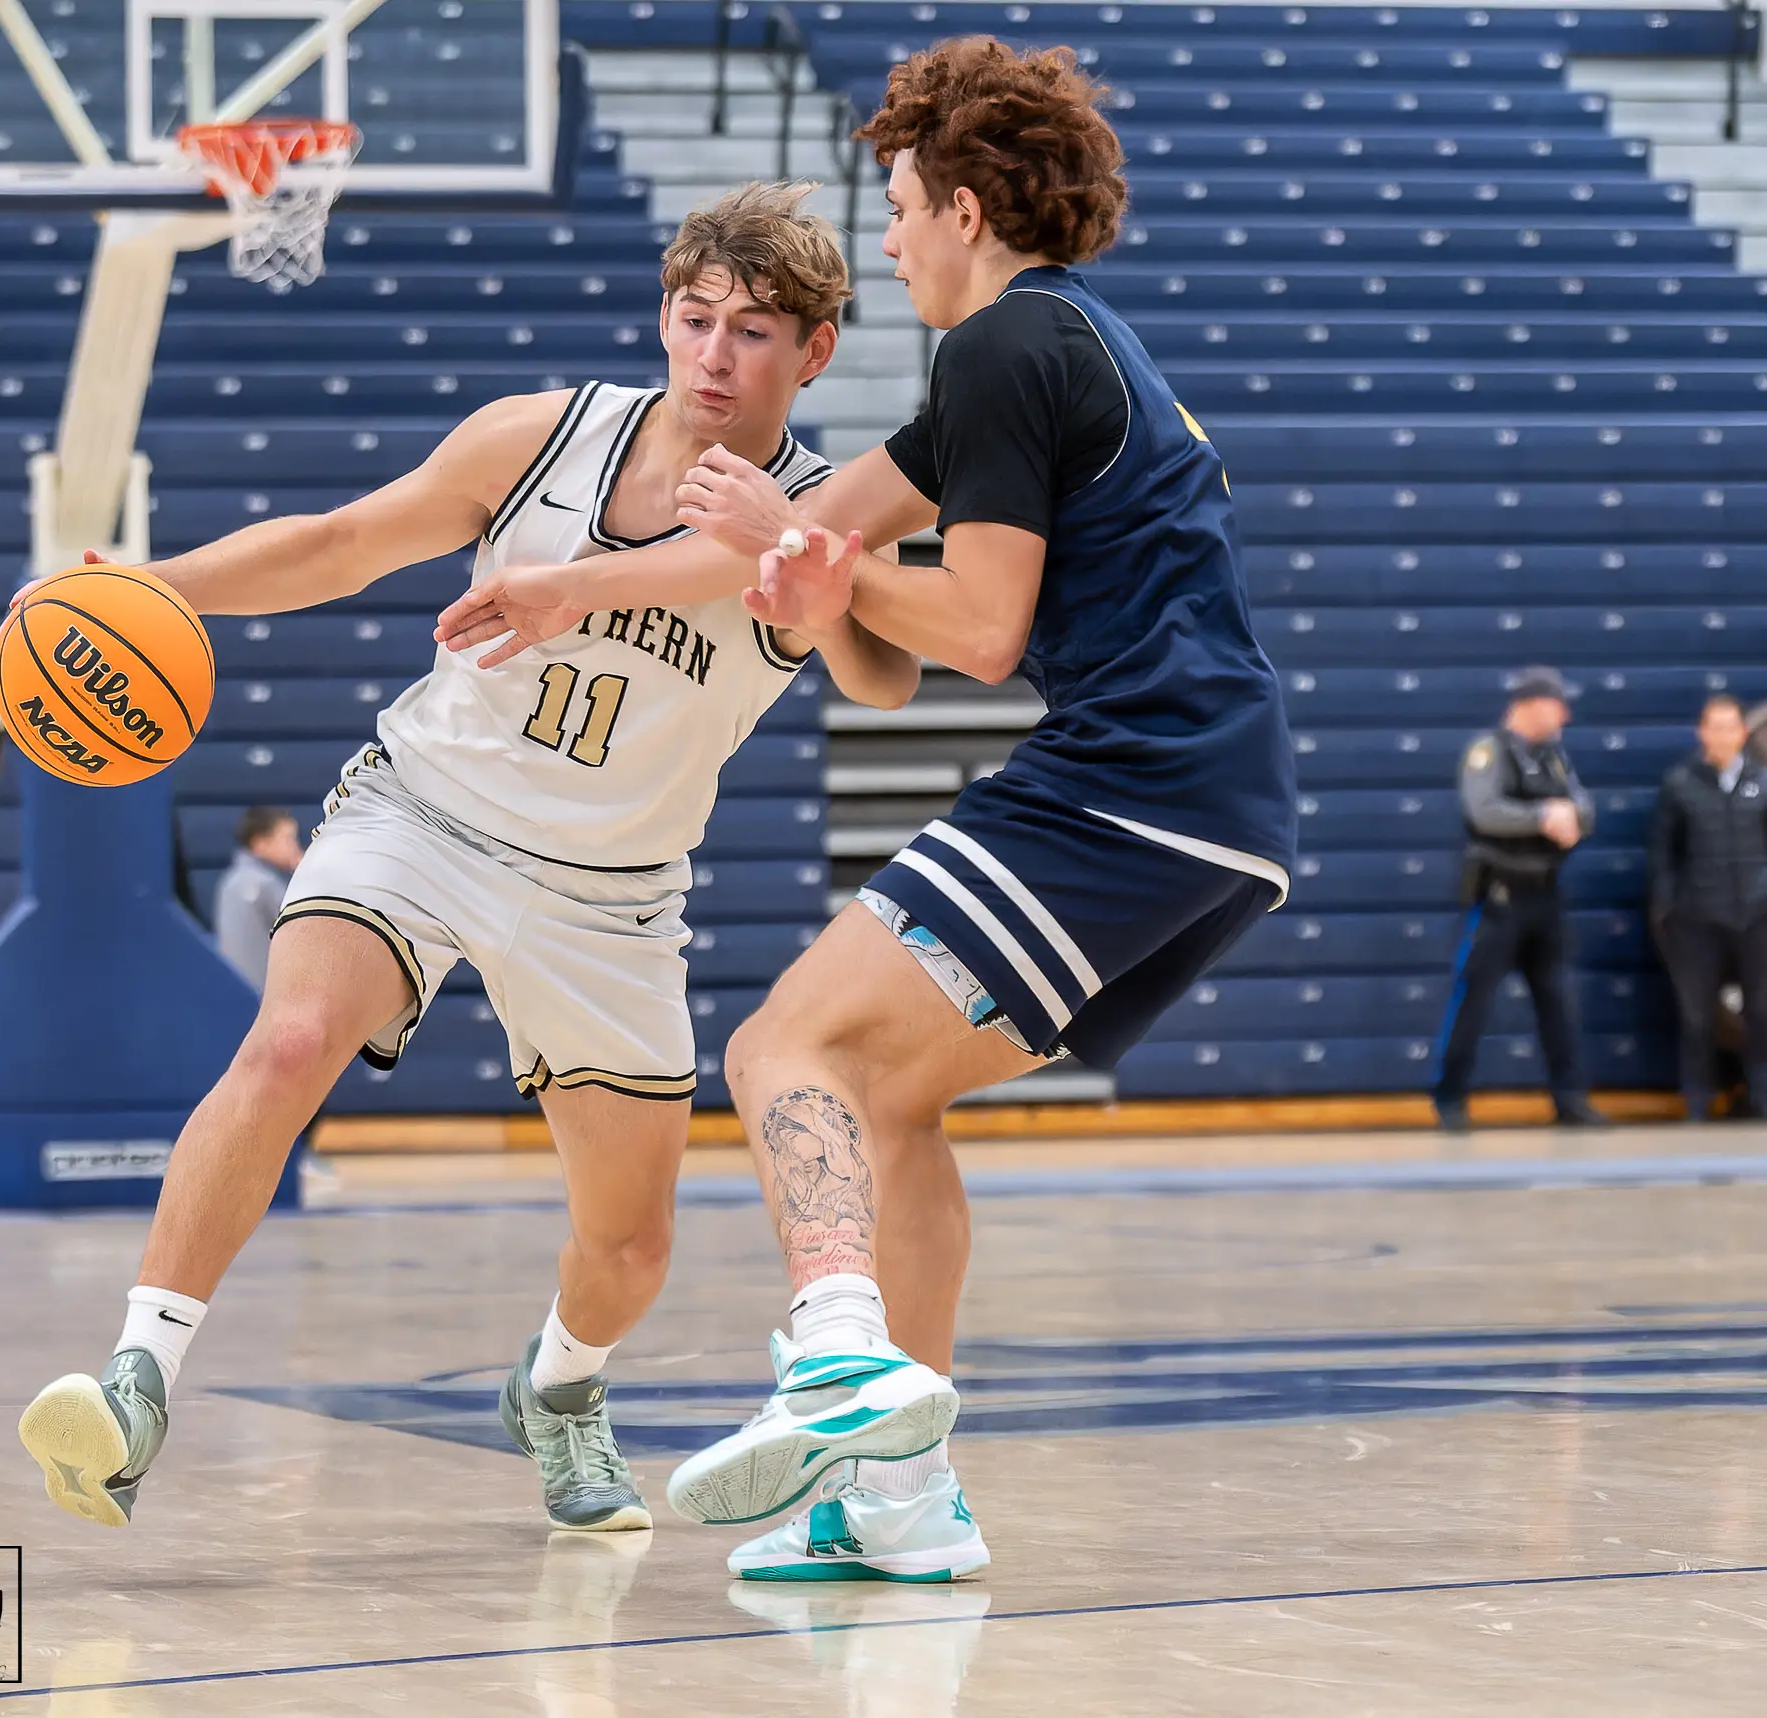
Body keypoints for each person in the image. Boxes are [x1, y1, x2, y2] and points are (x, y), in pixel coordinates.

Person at [437, 37, 1296, 1582]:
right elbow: (803, 549)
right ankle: (899, 1499)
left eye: (898, 207)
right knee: (886, 1105)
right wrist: (578, 585)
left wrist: (818, 566)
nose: (888, 237)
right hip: (1216, 810)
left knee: (781, 1047)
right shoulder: (1053, 343)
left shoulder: (1002, 345)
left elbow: (974, 628)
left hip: (1134, 776)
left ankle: (838, 1353)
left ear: (963, 208)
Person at [15, 183, 923, 1536]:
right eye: (695, 318)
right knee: (288, 1040)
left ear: (815, 351)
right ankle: (137, 1379)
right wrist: (149, 587)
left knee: (629, 1245)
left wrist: (808, 567)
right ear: (664, 319)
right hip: (423, 814)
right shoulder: (538, 435)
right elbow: (337, 545)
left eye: (752, 331)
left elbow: (884, 675)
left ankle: (558, 1387)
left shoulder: (824, 505)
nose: (715, 354)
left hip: (610, 895)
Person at [1431, 666, 1607, 1133]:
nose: (1565, 715)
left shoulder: (1554, 757)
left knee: (1559, 1002)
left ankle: (1569, 1098)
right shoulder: (1488, 752)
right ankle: (1450, 1097)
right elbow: (1484, 812)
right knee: (1473, 1000)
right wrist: (1543, 816)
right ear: (1531, 704)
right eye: (1557, 704)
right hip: (1499, 897)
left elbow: (1584, 808)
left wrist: (1570, 817)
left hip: (1545, 895)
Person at [1648, 694, 1767, 1119]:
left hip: (1755, 917)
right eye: (1714, 727)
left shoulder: (1762, 781)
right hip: (1697, 921)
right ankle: (1697, 1102)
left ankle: (1761, 1097)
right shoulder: (1679, 783)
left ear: (1743, 733)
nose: (1722, 735)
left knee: (1761, 1012)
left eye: (1730, 727)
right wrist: (1668, 907)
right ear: (1702, 733)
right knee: (1697, 1017)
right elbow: (1663, 853)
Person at [212, 806, 303, 991]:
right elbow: (308, 931)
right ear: (260, 844)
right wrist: (306, 873)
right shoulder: (264, 884)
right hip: (265, 998)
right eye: (288, 838)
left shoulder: (229, 881)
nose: (295, 846)